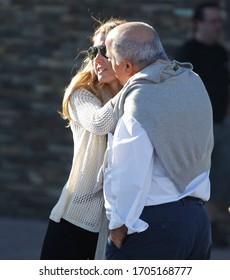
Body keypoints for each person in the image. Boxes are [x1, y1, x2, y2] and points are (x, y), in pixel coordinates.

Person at [101, 21, 214, 260]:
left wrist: (118, 226)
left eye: (110, 58)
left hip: (155, 227)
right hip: (198, 224)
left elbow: (129, 172)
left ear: (128, 65)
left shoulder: (140, 101)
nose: (108, 63)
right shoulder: (192, 81)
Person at [40, 17, 126, 260]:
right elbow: (100, 122)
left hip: (117, 219)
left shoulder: (132, 94)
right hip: (77, 213)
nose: (97, 59)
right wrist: (136, 87)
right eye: (93, 51)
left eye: (105, 51)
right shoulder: (82, 92)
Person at [175, 2, 230, 247]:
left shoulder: (222, 53)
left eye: (220, 21)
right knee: (193, 182)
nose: (219, 26)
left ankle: (210, 230)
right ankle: (193, 234)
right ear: (198, 23)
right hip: (193, 131)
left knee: (219, 179)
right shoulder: (187, 53)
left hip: (220, 127)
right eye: (213, 21)